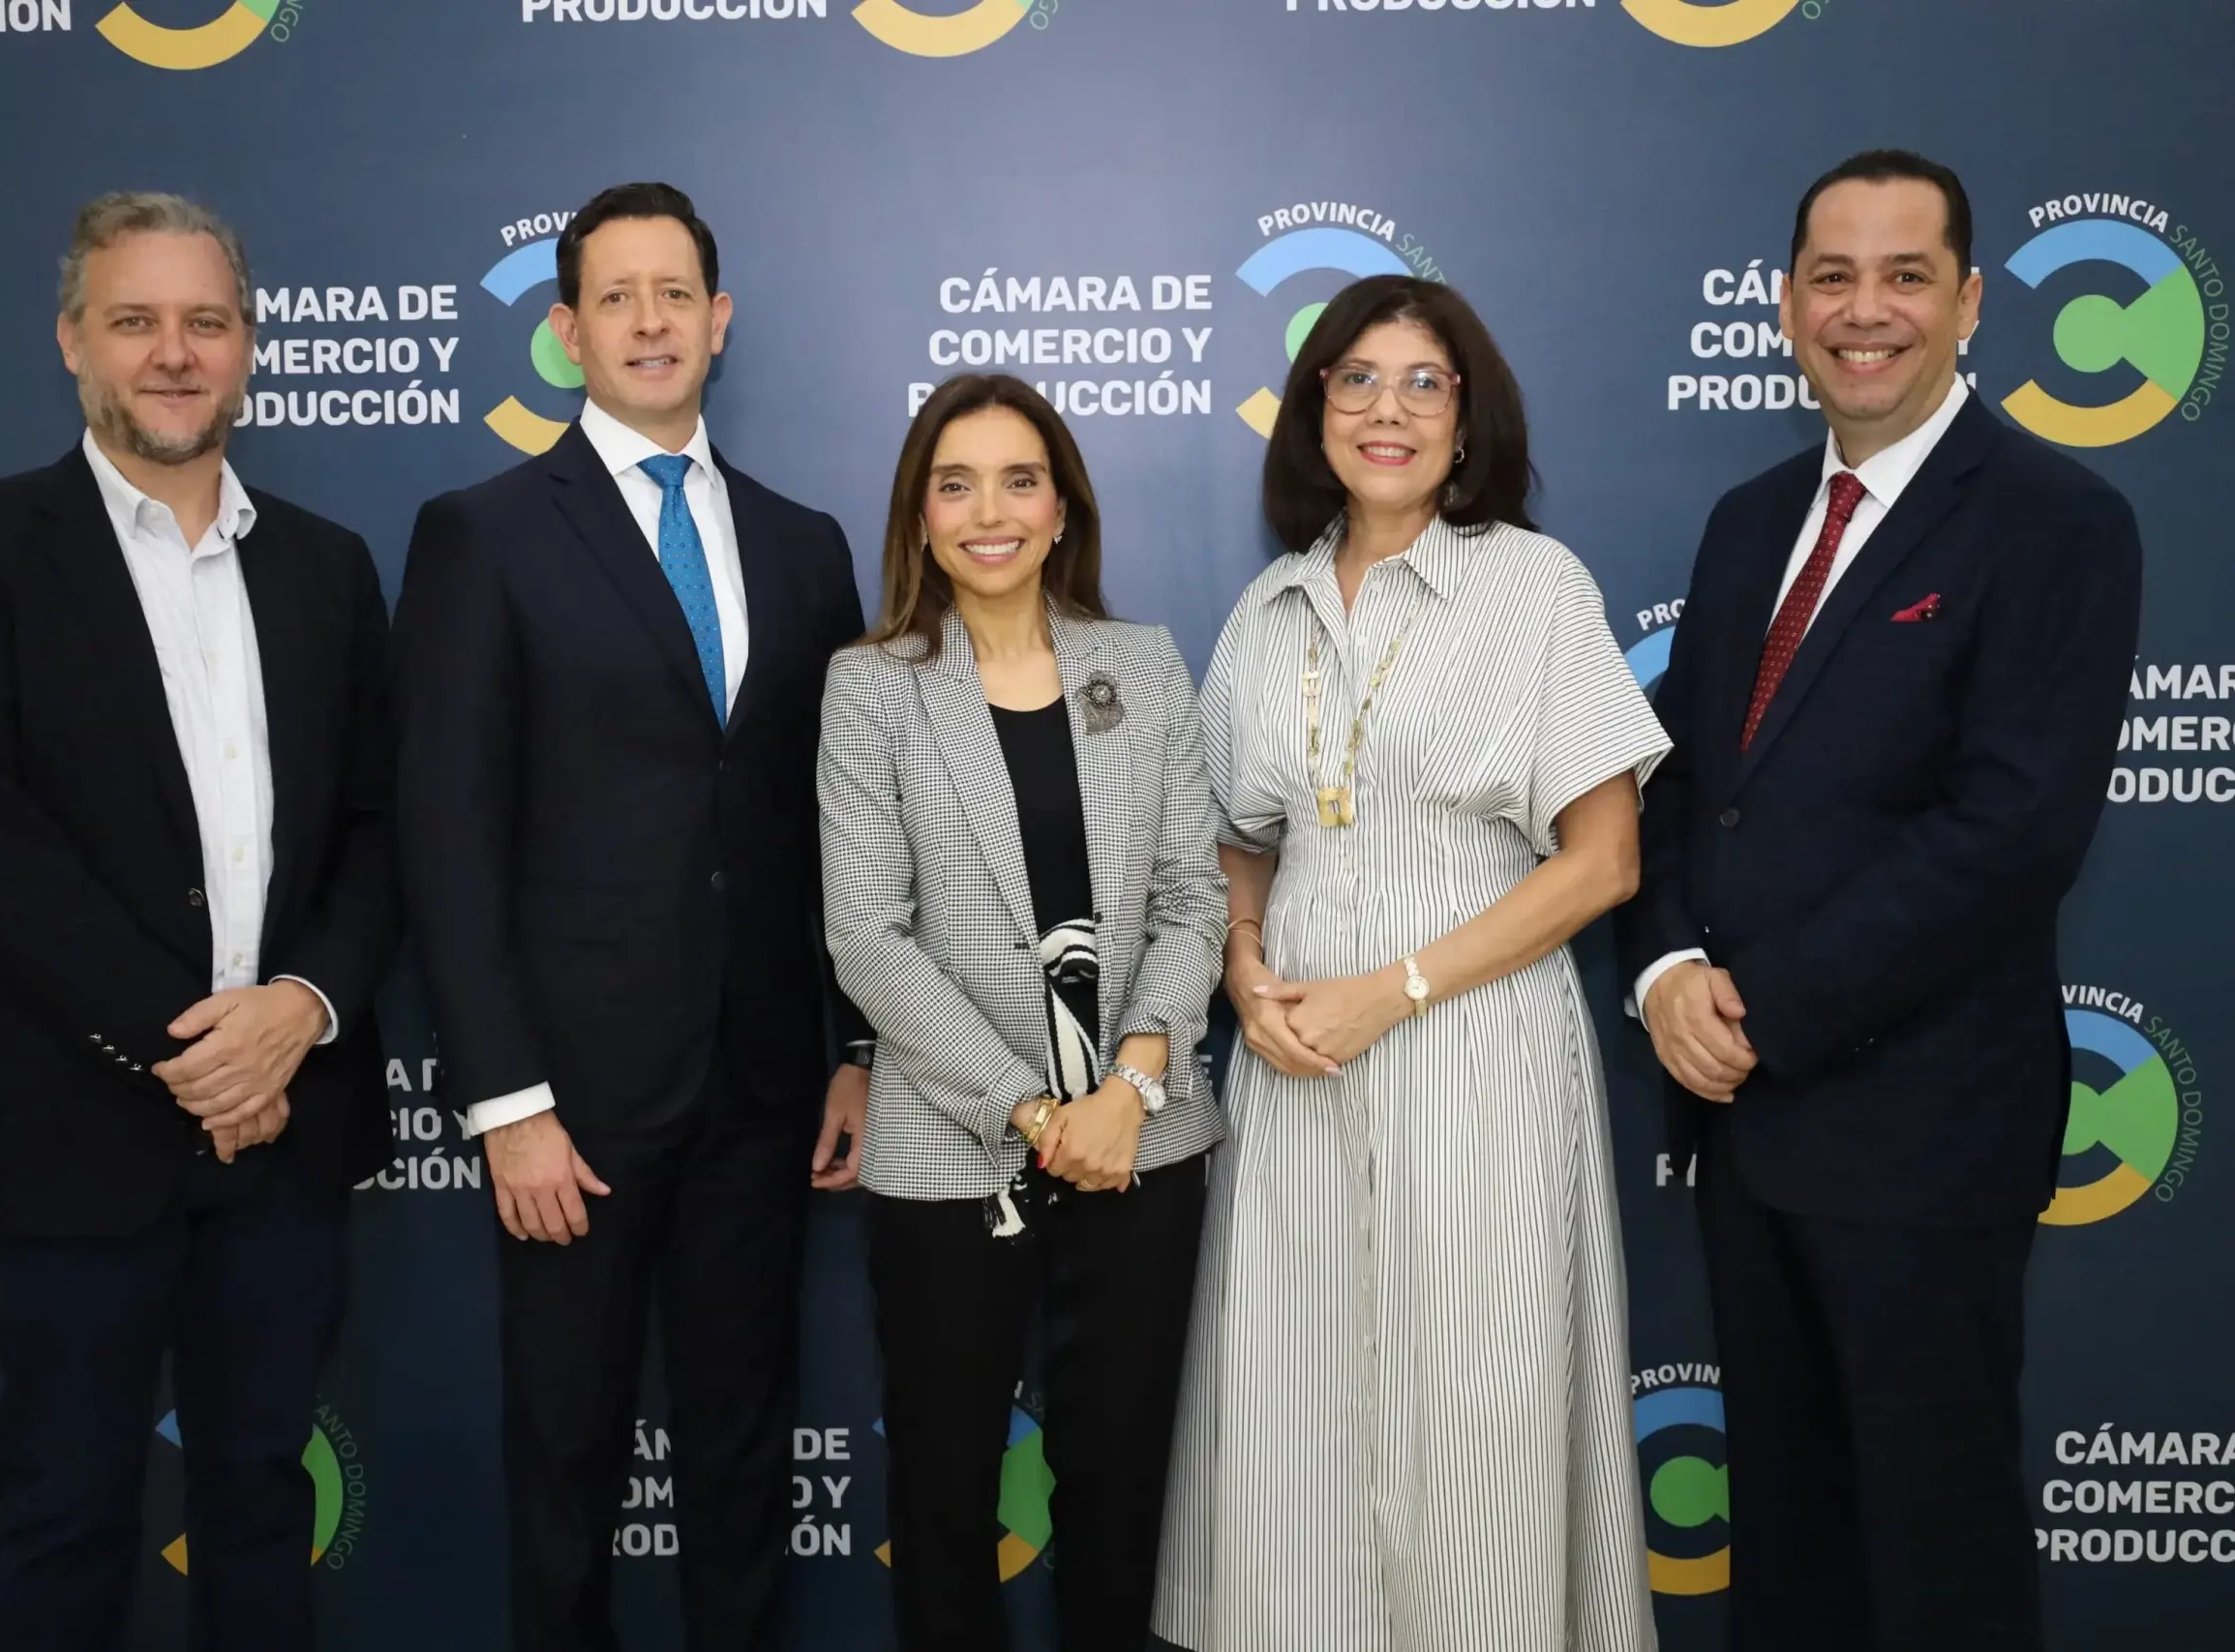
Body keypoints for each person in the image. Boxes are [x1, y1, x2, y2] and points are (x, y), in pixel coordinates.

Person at [1618, 150, 2143, 1652]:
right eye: (1833, 277)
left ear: (1969, 303)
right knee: (1791, 1561)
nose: (1866, 310)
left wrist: (1763, 1006)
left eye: (1906, 276)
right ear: (1787, 304)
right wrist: (1665, 972)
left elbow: (2012, 832)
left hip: (1924, 1135)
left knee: (1933, 1561)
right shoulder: (1749, 520)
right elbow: (1684, 785)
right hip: (1748, 1134)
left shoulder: (2056, 518)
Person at [0, 193, 398, 1650]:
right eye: (135, 321)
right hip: (70, 1129)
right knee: (65, 1515)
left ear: (247, 347)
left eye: (205, 322)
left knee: (262, 1508)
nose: (174, 353)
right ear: (72, 340)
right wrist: (202, 1056)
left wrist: (298, 1011)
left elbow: (378, 827)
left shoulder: (328, 564)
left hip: (288, 1136)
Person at [390, 181, 871, 1652]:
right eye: (616, 297)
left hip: (762, 1086)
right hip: (573, 1106)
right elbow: (445, 837)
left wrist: (853, 1047)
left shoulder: (805, 544)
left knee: (745, 1448)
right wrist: (508, 1103)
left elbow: (836, 831)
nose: (649, 322)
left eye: (675, 294)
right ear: (567, 331)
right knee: (567, 1454)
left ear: (718, 321)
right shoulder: (481, 535)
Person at [1154, 276, 1666, 1651]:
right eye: (1359, 379)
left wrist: (1397, 989)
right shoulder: (1267, 609)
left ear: (1468, 418)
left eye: (1425, 382)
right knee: (1294, 1420)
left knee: (1482, 1415)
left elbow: (1604, 861)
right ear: (1315, 407)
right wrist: (1244, 966)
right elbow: (1237, 839)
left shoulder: (1533, 587)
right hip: (1297, 1069)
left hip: (1476, 1058)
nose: (1390, 409)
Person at [819, 374, 1226, 1652]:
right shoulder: (871, 686)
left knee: (1121, 1494)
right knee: (945, 1502)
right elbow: (866, 938)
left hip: (1141, 1147)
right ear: (920, 516)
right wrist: (1037, 1113)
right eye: (956, 484)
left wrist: (1130, 1088)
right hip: (954, 1151)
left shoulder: (1142, 665)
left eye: (1019, 481)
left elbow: (1193, 899)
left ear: (1061, 509)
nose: (989, 512)